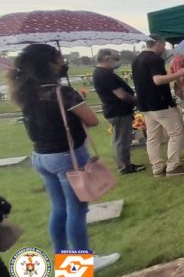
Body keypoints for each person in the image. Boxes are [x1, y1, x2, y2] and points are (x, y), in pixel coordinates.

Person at [7, 44, 120, 270]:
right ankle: (78, 263)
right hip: (67, 157)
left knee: (59, 209)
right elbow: (92, 120)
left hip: (41, 156)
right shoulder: (63, 93)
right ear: (49, 63)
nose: (63, 63)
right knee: (77, 211)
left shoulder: (25, 92)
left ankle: (63, 259)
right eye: (59, 59)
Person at [133, 40, 184, 177]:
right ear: (158, 43)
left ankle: (157, 167)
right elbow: (158, 80)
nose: (165, 48)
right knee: (177, 132)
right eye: (164, 45)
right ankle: (173, 166)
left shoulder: (137, 59)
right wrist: (180, 73)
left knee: (153, 137)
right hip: (159, 103)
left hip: (145, 104)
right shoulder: (155, 59)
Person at [92, 49, 144, 174]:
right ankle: (125, 166)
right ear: (105, 58)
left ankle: (124, 163)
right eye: (115, 59)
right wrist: (136, 101)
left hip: (116, 110)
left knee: (119, 139)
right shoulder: (105, 74)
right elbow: (121, 95)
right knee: (122, 140)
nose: (117, 61)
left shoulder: (101, 73)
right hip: (118, 110)